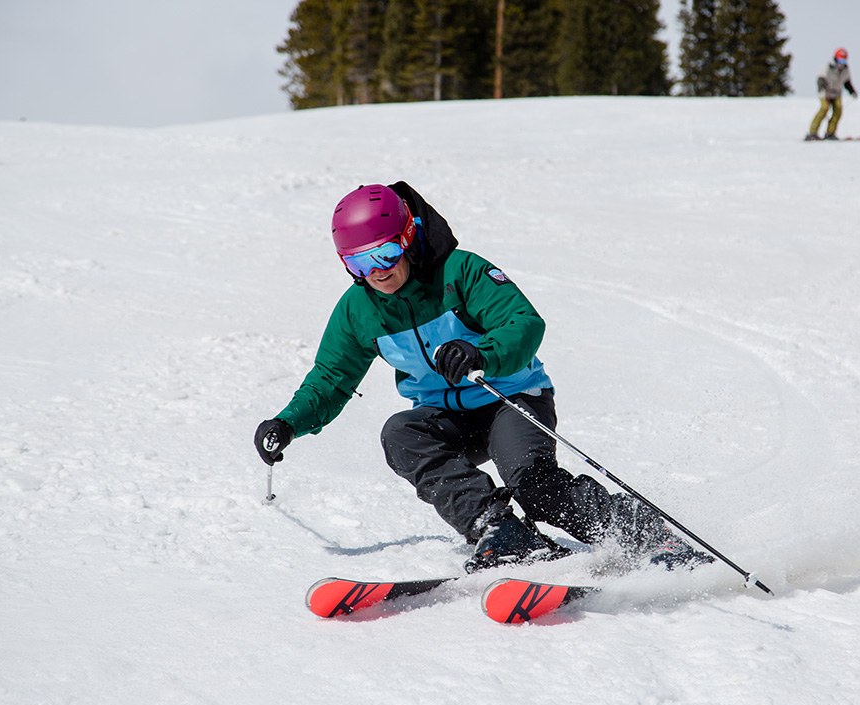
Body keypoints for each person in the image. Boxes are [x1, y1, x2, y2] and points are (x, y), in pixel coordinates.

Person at [254, 182, 711, 573]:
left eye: (387, 252)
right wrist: (288, 422)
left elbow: (523, 323)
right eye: (360, 263)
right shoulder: (358, 310)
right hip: (448, 417)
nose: (378, 272)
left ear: (408, 236)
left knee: (534, 484)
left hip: (510, 397)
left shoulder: (461, 271)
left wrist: (482, 352)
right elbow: (331, 376)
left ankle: (637, 533)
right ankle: (502, 531)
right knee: (401, 433)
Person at [806, 47, 858, 141]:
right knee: (824, 108)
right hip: (825, 92)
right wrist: (822, 86)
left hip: (837, 93)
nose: (841, 63)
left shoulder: (846, 69)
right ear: (835, 58)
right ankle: (812, 133)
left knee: (838, 110)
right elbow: (820, 78)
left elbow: (847, 82)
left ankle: (830, 133)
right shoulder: (828, 66)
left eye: (843, 61)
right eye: (840, 60)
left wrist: (852, 91)